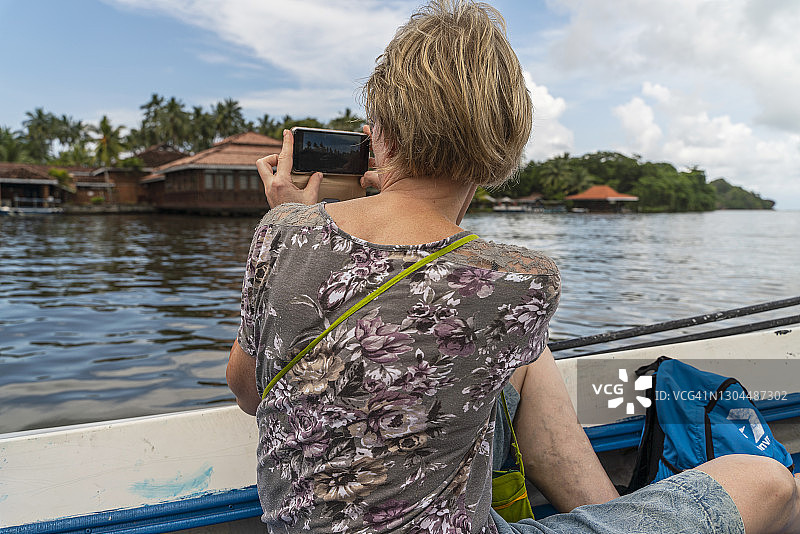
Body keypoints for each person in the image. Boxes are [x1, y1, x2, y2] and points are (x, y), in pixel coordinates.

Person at [227, 1, 800, 532]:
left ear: (382, 136)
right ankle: (614, 515)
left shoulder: (284, 229)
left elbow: (250, 392)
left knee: (524, 364)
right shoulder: (520, 279)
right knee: (767, 482)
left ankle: (611, 514)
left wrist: (302, 221)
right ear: (504, 148)